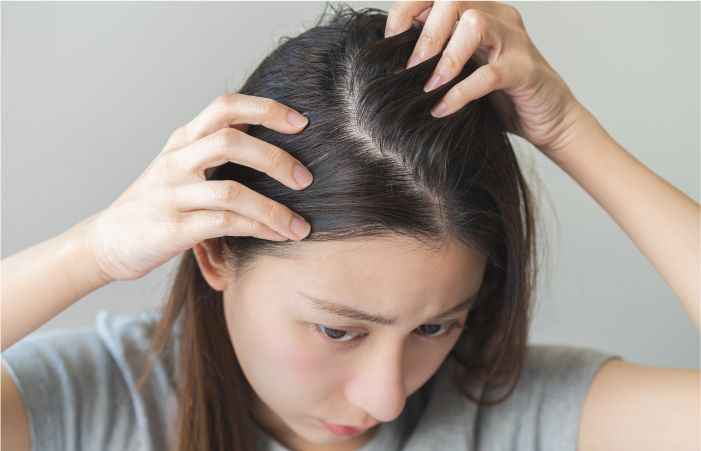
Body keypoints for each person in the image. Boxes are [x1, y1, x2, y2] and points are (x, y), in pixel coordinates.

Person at [2, 2, 698, 451]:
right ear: (214, 252)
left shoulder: (521, 415)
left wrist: (569, 132)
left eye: (434, 326)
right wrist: (90, 251)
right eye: (339, 329)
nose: (387, 395)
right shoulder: (91, 405)